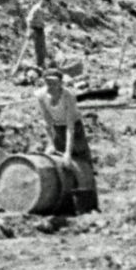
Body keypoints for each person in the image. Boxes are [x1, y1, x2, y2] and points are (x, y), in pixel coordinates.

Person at [35, 71, 98, 211]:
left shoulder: (68, 96)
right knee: (60, 165)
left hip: (74, 129)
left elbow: (70, 127)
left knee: (82, 163)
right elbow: (47, 122)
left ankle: (89, 206)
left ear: (60, 84)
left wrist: (68, 153)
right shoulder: (41, 95)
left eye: (54, 83)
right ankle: (66, 204)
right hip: (57, 128)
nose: (50, 86)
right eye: (48, 82)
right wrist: (51, 143)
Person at [23, 1, 51, 74]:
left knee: (42, 47)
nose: (46, 5)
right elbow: (29, 20)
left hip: (40, 29)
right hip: (35, 29)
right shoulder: (36, 9)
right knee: (38, 47)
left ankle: (42, 64)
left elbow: (43, 19)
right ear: (43, 1)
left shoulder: (42, 9)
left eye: (47, 4)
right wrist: (29, 30)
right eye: (46, 3)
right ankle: (39, 65)